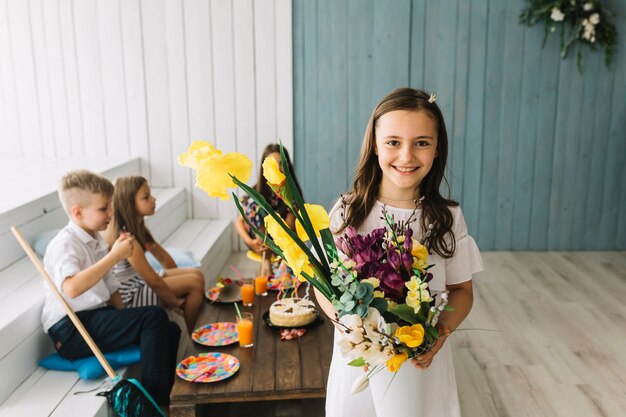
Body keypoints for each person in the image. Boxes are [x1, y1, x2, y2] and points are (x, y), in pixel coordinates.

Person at [316, 88, 484, 417]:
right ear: (375, 146)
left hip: (422, 364)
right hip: (360, 362)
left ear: (437, 150)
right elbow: (322, 286)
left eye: (421, 142)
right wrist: (348, 326)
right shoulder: (347, 212)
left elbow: (462, 291)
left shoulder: (446, 218)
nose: (406, 156)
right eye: (393, 142)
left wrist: (439, 334)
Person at [41, 170, 181, 409]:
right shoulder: (65, 243)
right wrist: (114, 256)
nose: (111, 213)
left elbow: (112, 288)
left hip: (97, 318)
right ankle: (150, 404)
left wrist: (127, 319)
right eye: (103, 209)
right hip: (71, 329)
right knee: (154, 315)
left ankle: (168, 396)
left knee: (170, 329)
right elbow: (72, 288)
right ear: (78, 212)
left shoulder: (95, 239)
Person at [105, 176, 205, 334]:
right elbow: (152, 281)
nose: (153, 199)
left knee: (196, 275)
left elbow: (163, 258)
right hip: (131, 296)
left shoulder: (138, 228)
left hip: (138, 282)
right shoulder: (127, 240)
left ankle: (197, 331)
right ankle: (195, 337)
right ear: (129, 204)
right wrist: (175, 302)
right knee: (194, 283)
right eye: (146, 197)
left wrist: (179, 284)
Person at [234, 143, 303, 277]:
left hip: (283, 239)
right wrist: (250, 242)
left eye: (281, 164)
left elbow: (290, 227)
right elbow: (239, 222)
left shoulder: (290, 192)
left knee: (290, 208)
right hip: (258, 240)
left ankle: (269, 263)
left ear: (287, 165)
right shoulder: (257, 190)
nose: (277, 169)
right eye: (273, 165)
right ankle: (266, 260)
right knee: (255, 203)